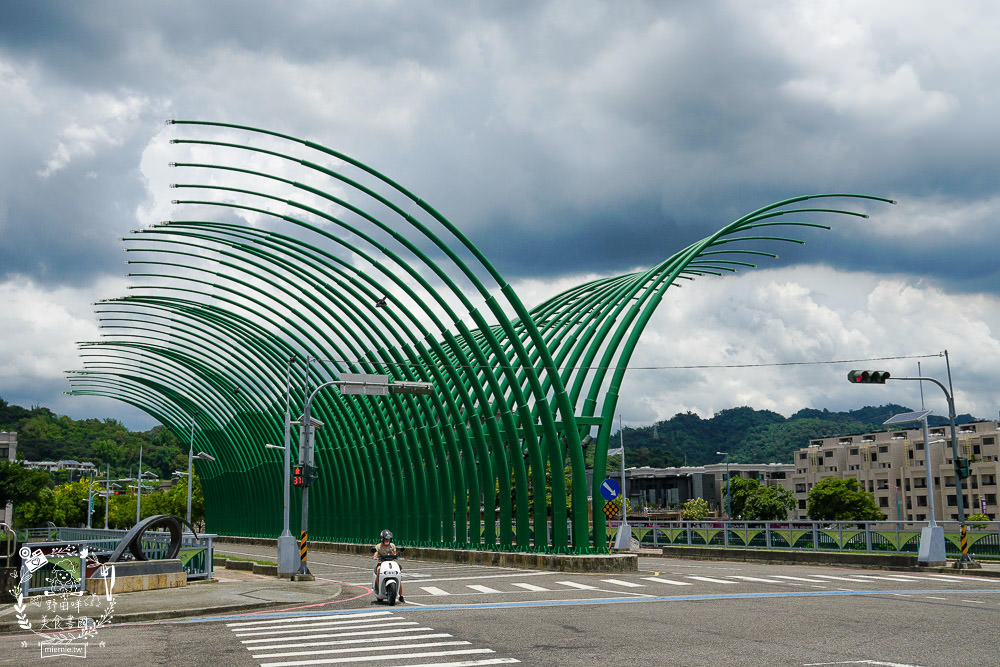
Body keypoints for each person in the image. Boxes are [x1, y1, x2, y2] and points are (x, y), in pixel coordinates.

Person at [373, 529, 403, 603]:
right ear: (382, 539)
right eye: (386, 539)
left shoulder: (392, 545)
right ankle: (378, 589)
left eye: (389, 539)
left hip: (391, 563)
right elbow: (376, 553)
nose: (387, 540)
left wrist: (395, 554)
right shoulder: (378, 546)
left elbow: (394, 554)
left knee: (398, 573)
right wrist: (375, 556)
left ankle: (401, 595)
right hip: (382, 563)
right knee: (378, 569)